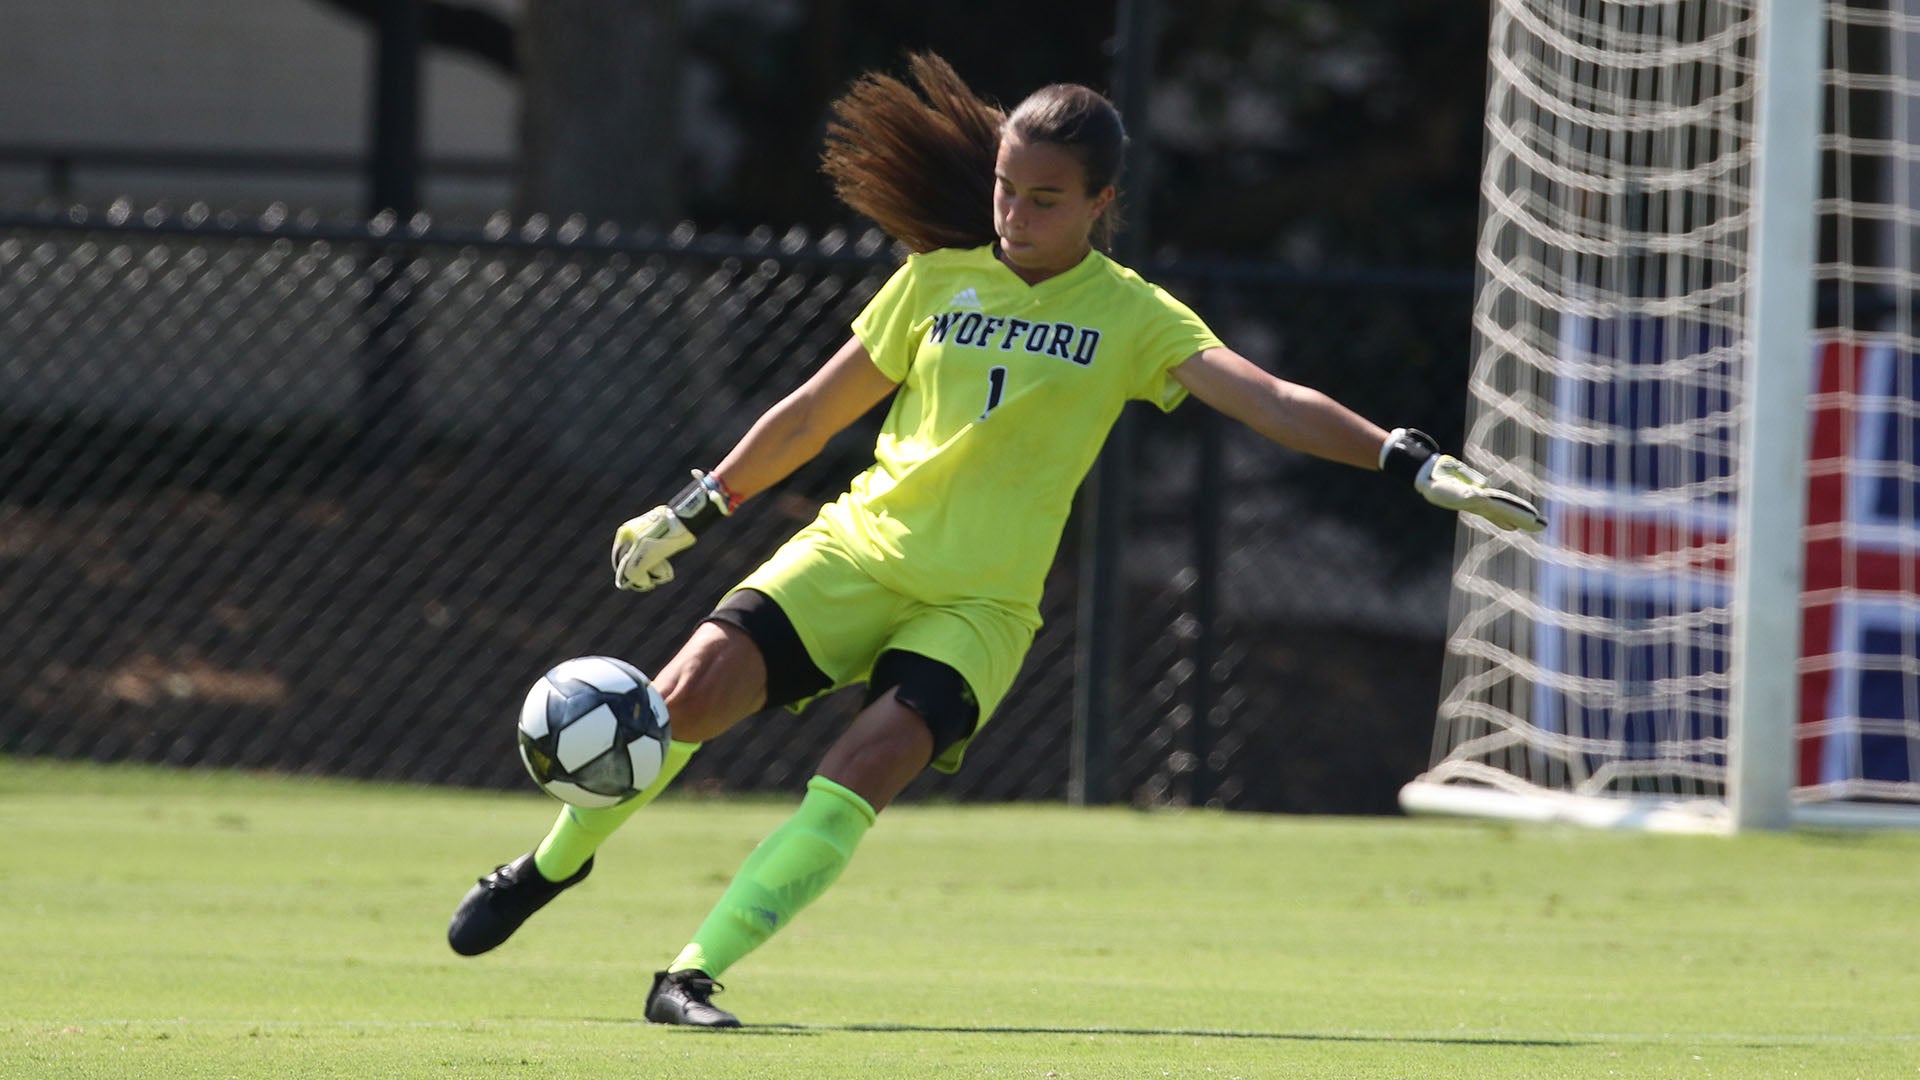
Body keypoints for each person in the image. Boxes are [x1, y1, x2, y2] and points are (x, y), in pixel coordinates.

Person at [446, 53, 1545, 1028]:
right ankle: (551, 866)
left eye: (1045, 198)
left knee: (859, 771)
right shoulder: (935, 279)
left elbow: (1269, 400)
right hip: (855, 550)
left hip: (978, 606)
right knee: (681, 697)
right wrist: (694, 507)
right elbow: (813, 414)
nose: (1015, 213)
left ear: (1101, 204)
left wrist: (1407, 458)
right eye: (1006, 188)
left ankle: (691, 974)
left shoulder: (1133, 315)